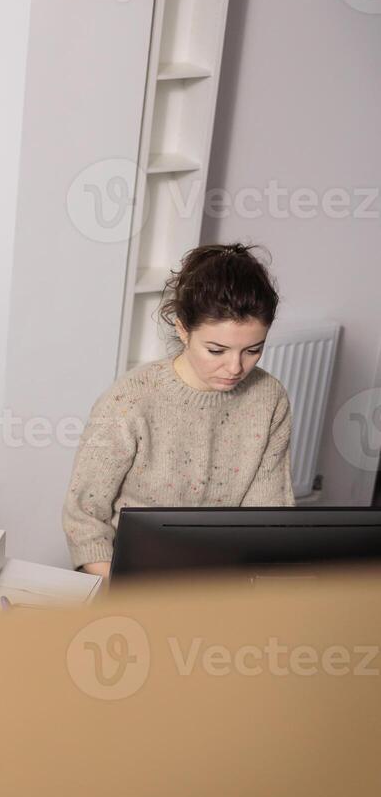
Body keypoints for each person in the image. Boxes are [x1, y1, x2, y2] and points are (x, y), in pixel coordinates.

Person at [64, 243, 295, 578]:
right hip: (129, 579)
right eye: (216, 350)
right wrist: (120, 588)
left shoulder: (269, 398)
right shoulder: (131, 400)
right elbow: (83, 519)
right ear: (182, 328)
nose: (235, 367)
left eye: (253, 350)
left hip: (220, 581)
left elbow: (267, 516)